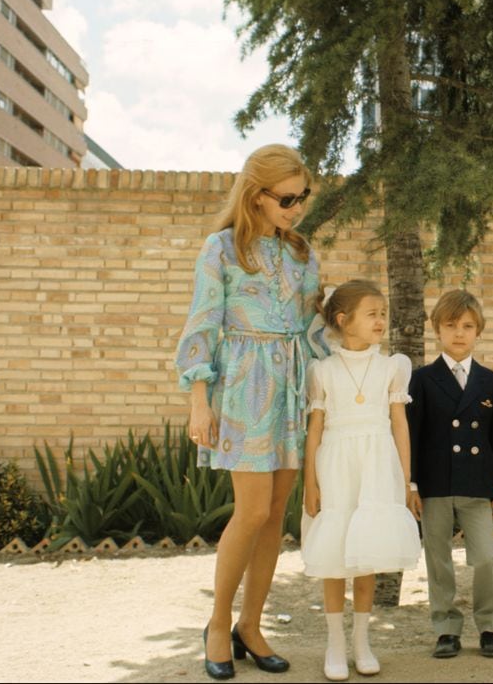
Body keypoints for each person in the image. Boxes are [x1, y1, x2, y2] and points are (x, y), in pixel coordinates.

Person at [175, 144, 320, 680]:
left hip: (292, 384)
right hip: (243, 385)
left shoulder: (302, 253)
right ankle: (217, 623)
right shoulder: (221, 250)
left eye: (303, 197)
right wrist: (198, 396)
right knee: (252, 509)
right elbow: (202, 323)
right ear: (256, 195)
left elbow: (313, 327)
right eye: (287, 198)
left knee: (276, 512)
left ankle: (251, 625)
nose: (297, 207)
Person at [300, 279, 422, 681]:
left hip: (377, 464)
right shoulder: (322, 371)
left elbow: (400, 426)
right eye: (373, 314)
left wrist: (407, 481)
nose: (381, 321)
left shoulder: (392, 367)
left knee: (367, 551)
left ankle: (361, 640)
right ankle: (334, 642)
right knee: (336, 555)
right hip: (335, 463)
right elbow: (315, 430)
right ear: (343, 320)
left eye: (383, 314)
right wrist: (311, 484)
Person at [406, 290, 493, 659]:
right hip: (435, 483)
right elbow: (413, 436)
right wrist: (412, 484)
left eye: (467, 326)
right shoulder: (421, 379)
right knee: (438, 557)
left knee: (486, 556)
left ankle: (489, 625)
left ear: (478, 330)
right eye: (451, 326)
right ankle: (446, 628)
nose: (459, 333)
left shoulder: (491, 381)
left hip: (476, 482)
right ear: (437, 330)